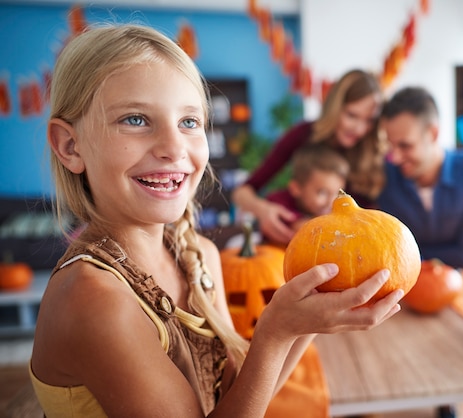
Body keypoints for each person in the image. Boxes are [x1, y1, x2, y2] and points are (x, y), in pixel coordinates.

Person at [29, 24, 404, 418]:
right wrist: (273, 333)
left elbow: (238, 399)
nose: (174, 148)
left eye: (189, 122)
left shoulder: (201, 257)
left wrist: (300, 322)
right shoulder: (96, 299)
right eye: (136, 119)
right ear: (71, 147)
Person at [231, 69, 386, 245]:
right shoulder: (303, 135)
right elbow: (242, 192)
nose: (359, 129)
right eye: (352, 115)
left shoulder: (376, 152)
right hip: (301, 242)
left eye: (369, 120)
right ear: (335, 108)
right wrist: (263, 210)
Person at [377, 86, 463, 269]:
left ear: (433, 133)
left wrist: (411, 254)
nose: (395, 157)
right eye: (391, 146)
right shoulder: (385, 179)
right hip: (414, 279)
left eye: (405, 146)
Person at [265, 143, 349, 240]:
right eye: (322, 192)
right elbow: (303, 228)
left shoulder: (330, 210)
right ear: (296, 188)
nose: (331, 201)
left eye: (337, 193)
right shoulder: (280, 203)